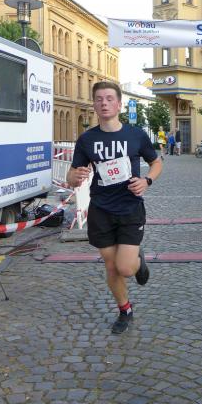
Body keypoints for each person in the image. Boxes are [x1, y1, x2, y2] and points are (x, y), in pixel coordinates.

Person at [67, 81, 163, 334]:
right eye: (99, 99)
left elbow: (156, 162)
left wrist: (147, 181)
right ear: (94, 104)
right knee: (111, 266)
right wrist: (75, 177)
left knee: (125, 268)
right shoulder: (87, 139)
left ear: (119, 104)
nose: (104, 103)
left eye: (109, 98)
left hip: (130, 207)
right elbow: (71, 176)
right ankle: (125, 310)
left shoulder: (136, 135)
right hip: (101, 209)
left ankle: (138, 259)